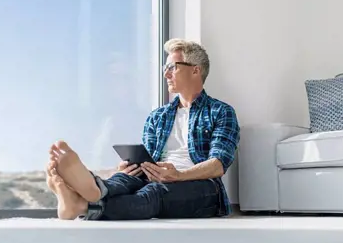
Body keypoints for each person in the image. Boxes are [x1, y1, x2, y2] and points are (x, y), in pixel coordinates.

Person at [46, 38, 240, 220]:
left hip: (203, 189)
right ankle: (93, 190)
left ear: (195, 71)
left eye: (172, 67)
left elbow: (218, 165)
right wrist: (132, 167)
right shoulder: (158, 116)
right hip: (156, 178)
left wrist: (178, 175)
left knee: (153, 193)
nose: (166, 74)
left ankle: (82, 205)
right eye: (166, 68)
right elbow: (148, 158)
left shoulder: (220, 112)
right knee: (124, 180)